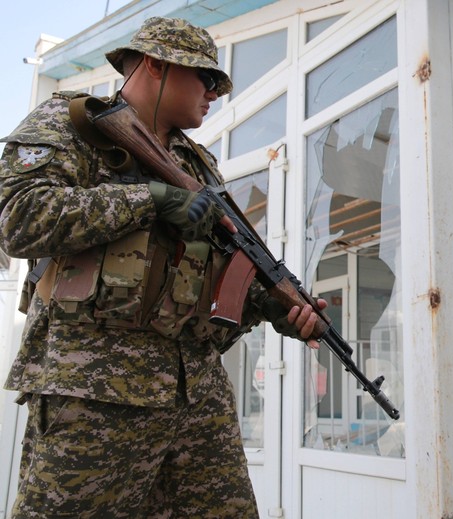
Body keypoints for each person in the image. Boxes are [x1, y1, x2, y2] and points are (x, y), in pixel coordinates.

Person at [0, 17, 325, 517]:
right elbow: (18, 220)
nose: (215, 91)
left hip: (197, 397)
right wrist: (147, 199)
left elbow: (220, 273)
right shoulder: (72, 123)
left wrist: (274, 308)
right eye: (207, 78)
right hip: (96, 392)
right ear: (155, 64)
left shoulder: (201, 166)